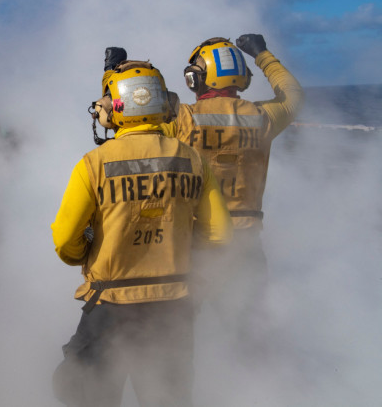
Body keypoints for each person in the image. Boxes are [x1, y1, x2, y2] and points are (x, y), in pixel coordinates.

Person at [51, 58, 233, 407]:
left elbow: (64, 240)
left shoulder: (94, 163)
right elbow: (220, 236)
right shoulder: (194, 160)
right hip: (173, 307)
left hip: (110, 306)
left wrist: (83, 253)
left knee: (87, 393)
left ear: (113, 108)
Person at [164, 35, 304, 347]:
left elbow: (134, 120)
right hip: (245, 246)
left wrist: (113, 73)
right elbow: (293, 97)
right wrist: (262, 54)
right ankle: (258, 389)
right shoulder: (261, 118)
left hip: (193, 242)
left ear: (197, 79)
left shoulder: (182, 119)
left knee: (175, 334)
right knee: (250, 333)